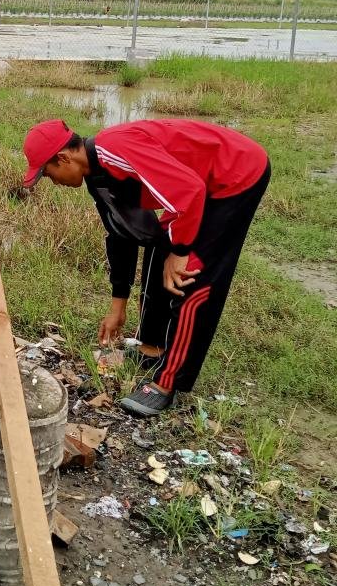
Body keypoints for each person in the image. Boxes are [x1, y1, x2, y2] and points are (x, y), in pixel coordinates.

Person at [22, 118, 270, 417]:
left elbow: (189, 191)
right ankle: (151, 348)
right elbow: (123, 234)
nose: (53, 182)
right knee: (158, 248)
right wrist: (118, 306)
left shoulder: (117, 150)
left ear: (63, 158)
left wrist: (180, 252)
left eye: (48, 174)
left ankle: (167, 384)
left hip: (235, 173)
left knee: (192, 275)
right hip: (195, 184)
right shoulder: (97, 177)